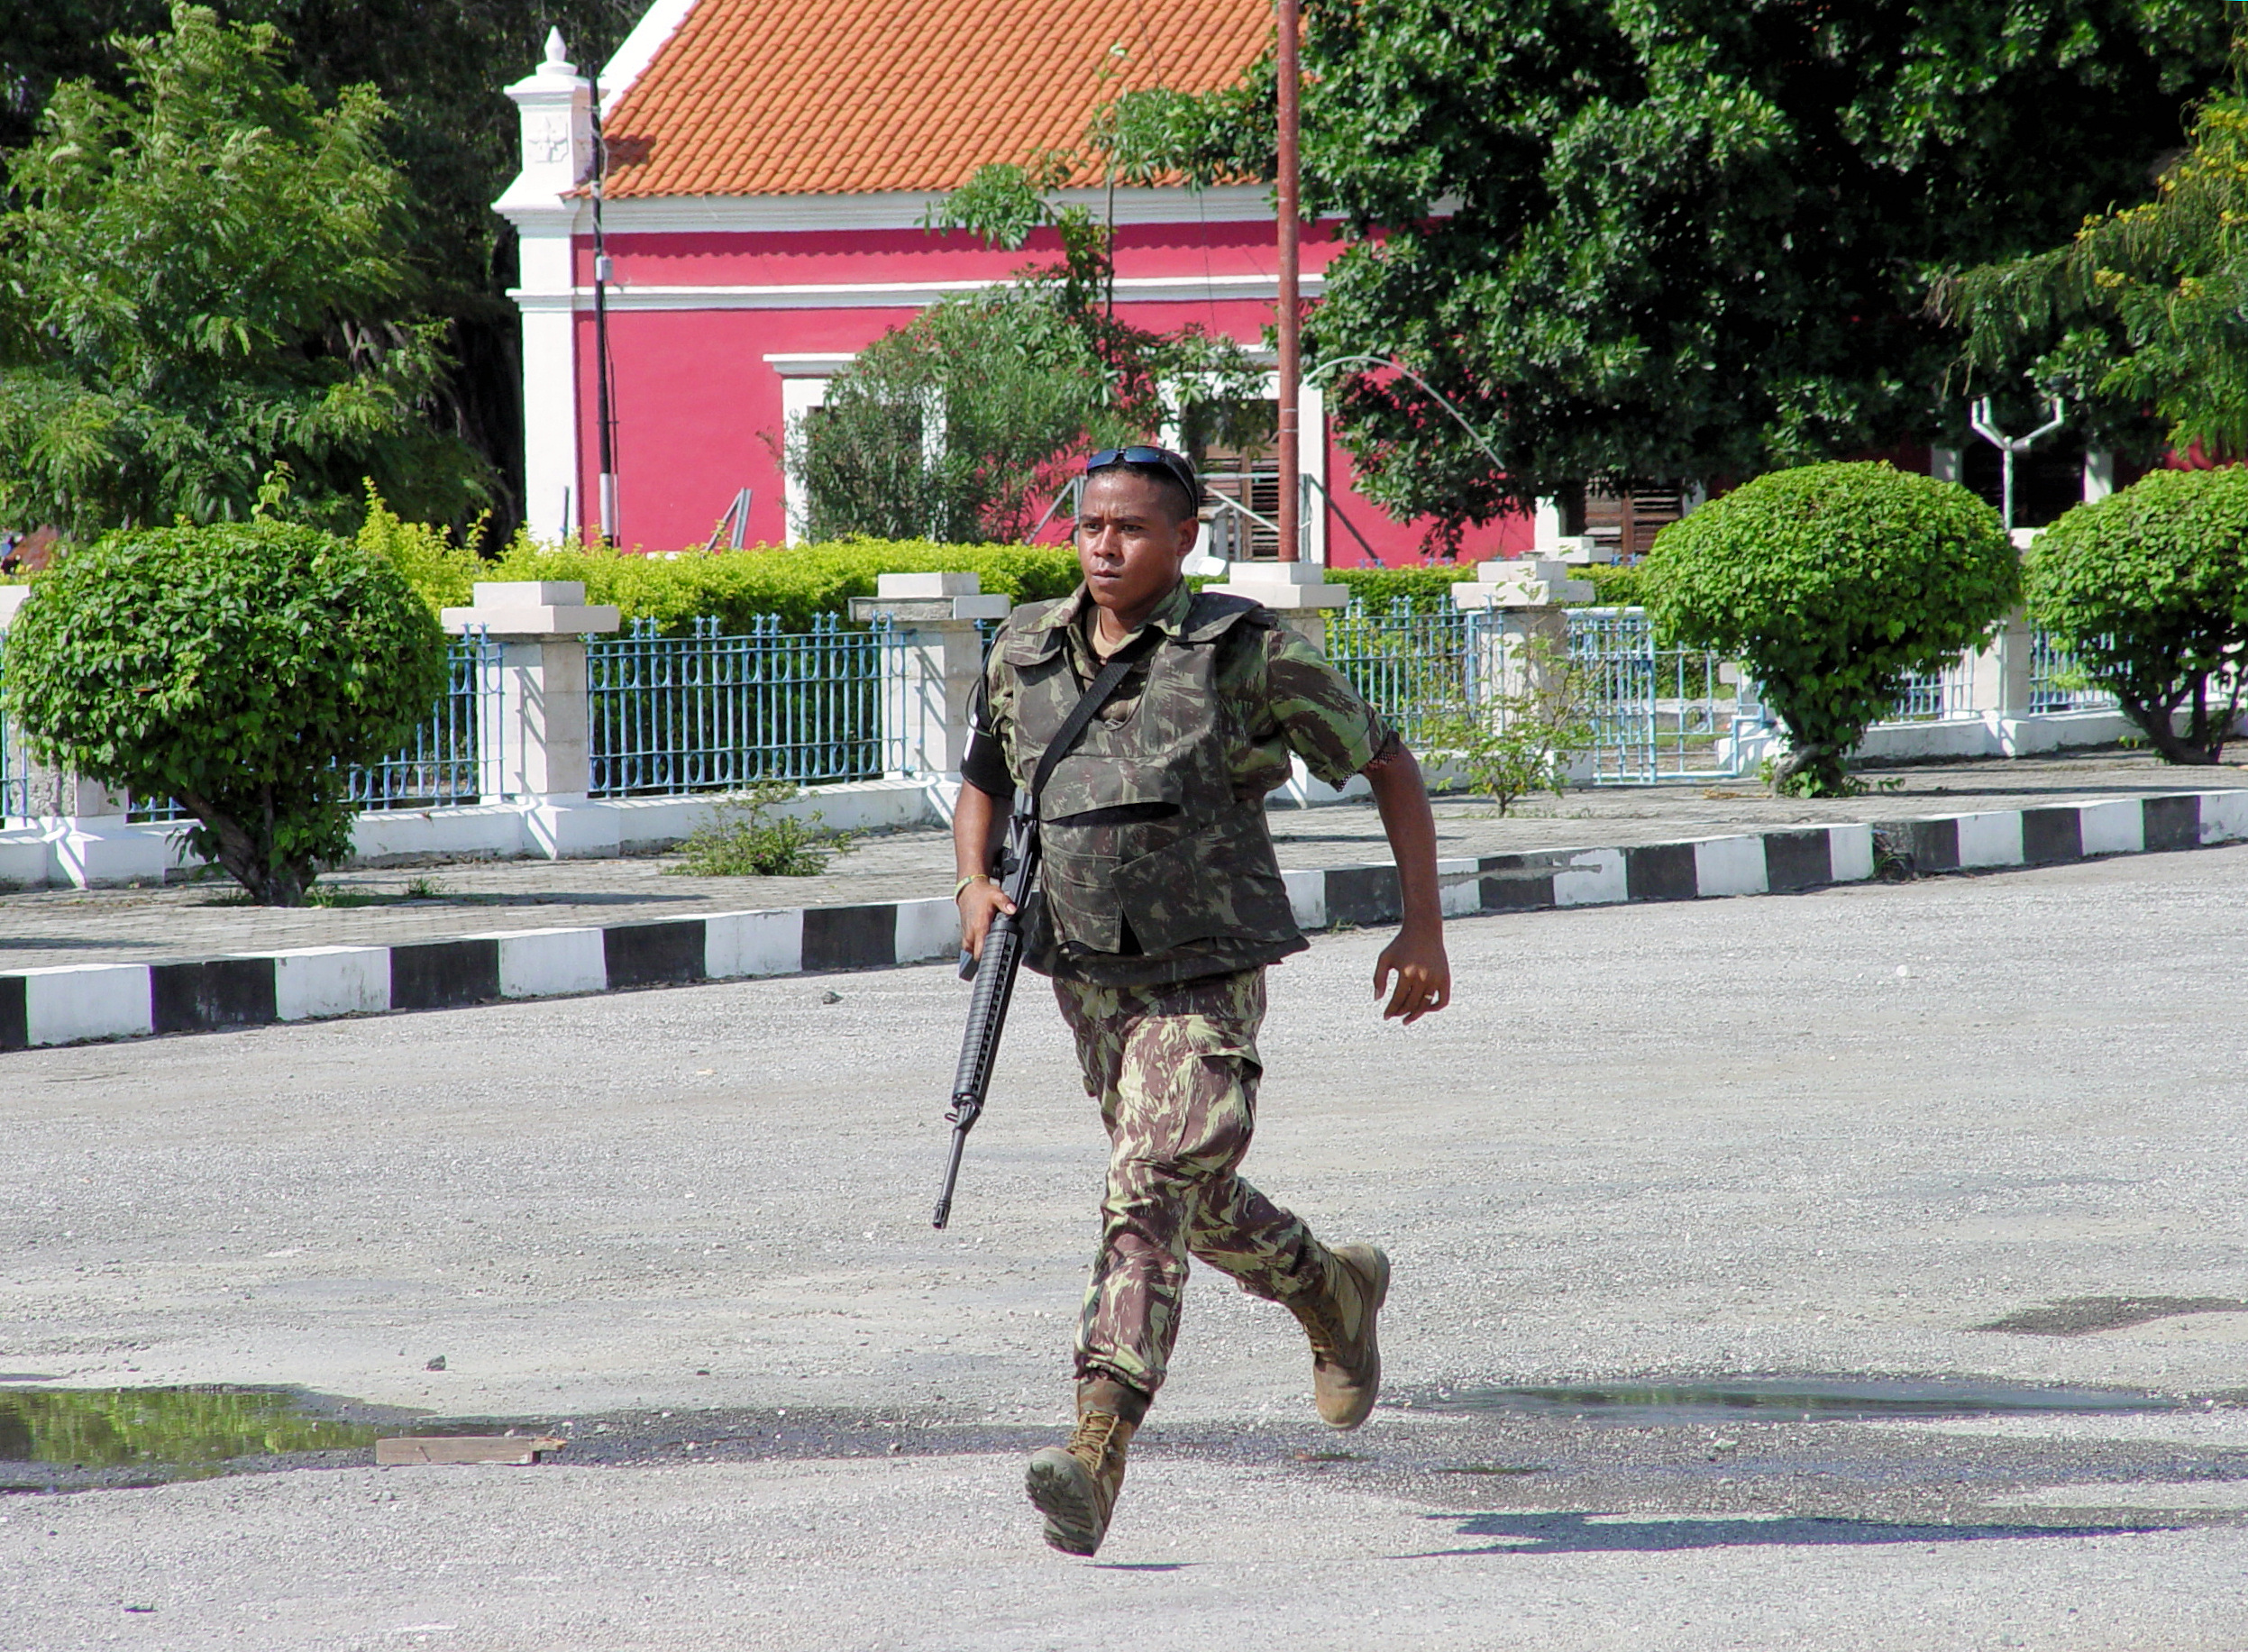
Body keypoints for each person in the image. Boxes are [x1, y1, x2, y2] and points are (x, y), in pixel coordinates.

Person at [953, 443, 1452, 1557]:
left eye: (1129, 529)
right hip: (1086, 979)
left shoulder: (1244, 653)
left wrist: (1421, 927)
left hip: (1205, 973)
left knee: (1145, 1187)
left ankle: (1095, 1447)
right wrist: (974, 881)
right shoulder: (1025, 649)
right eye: (1088, 525)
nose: (1102, 546)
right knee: (1187, 1193)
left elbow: (1387, 762)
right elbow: (984, 780)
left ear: (1184, 541)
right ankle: (1331, 1291)